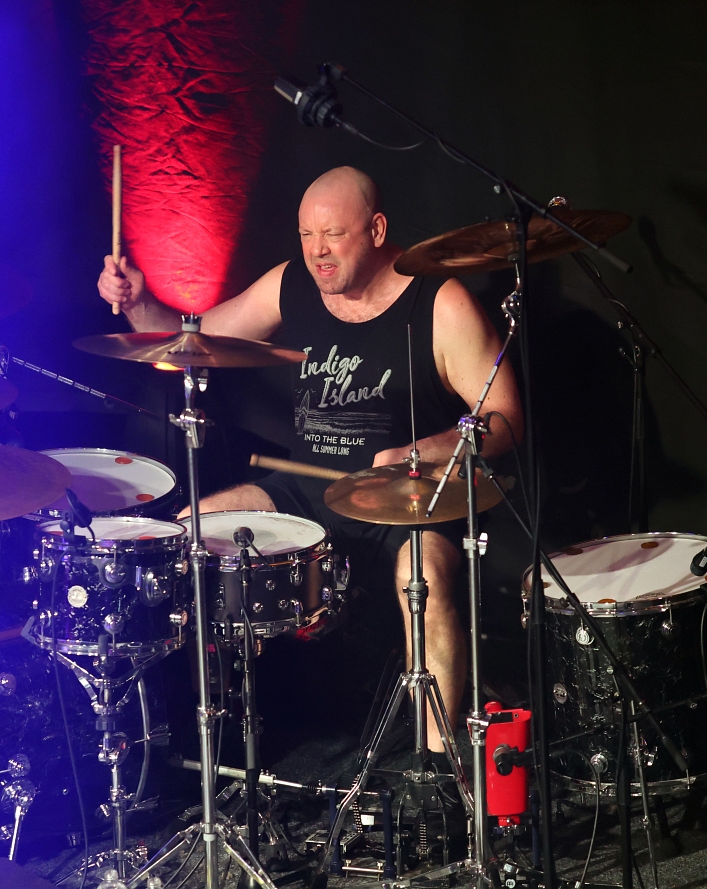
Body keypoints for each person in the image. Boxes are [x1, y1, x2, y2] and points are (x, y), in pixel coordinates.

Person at [96, 166, 522, 751]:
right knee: (192, 529)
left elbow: (504, 417)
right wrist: (140, 303)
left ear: (377, 230)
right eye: (306, 236)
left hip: (411, 500)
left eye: (334, 236)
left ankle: (440, 765)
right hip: (308, 493)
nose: (318, 251)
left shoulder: (439, 302)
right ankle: (203, 746)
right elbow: (191, 342)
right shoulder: (290, 284)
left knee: (420, 574)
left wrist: (418, 453)